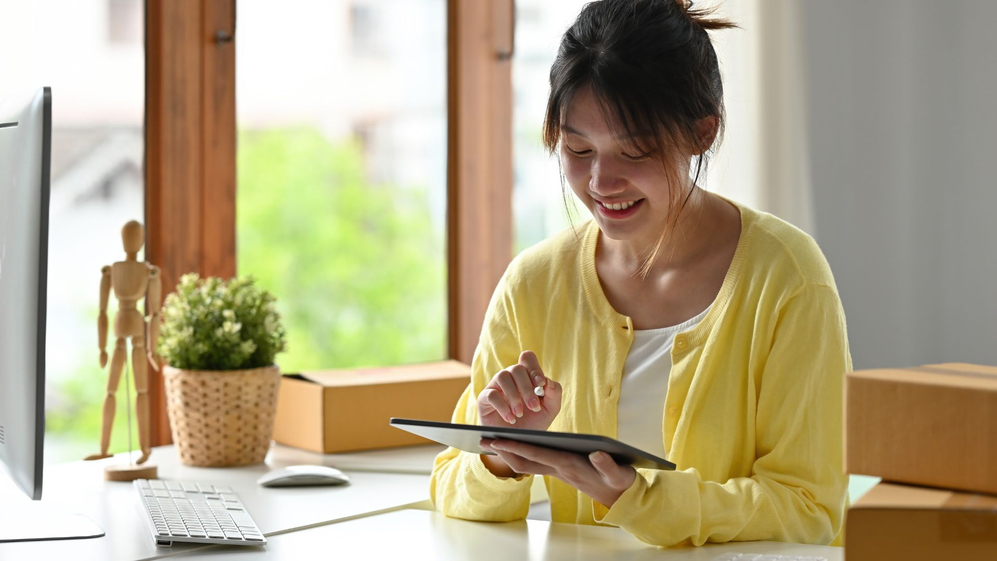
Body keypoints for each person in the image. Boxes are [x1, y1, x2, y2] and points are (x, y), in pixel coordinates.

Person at [430, 0, 851, 548]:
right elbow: (449, 489)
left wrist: (638, 496)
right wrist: (502, 456)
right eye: (578, 148)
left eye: (634, 152)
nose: (602, 181)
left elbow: (810, 509)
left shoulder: (787, 279)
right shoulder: (532, 284)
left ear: (703, 132)